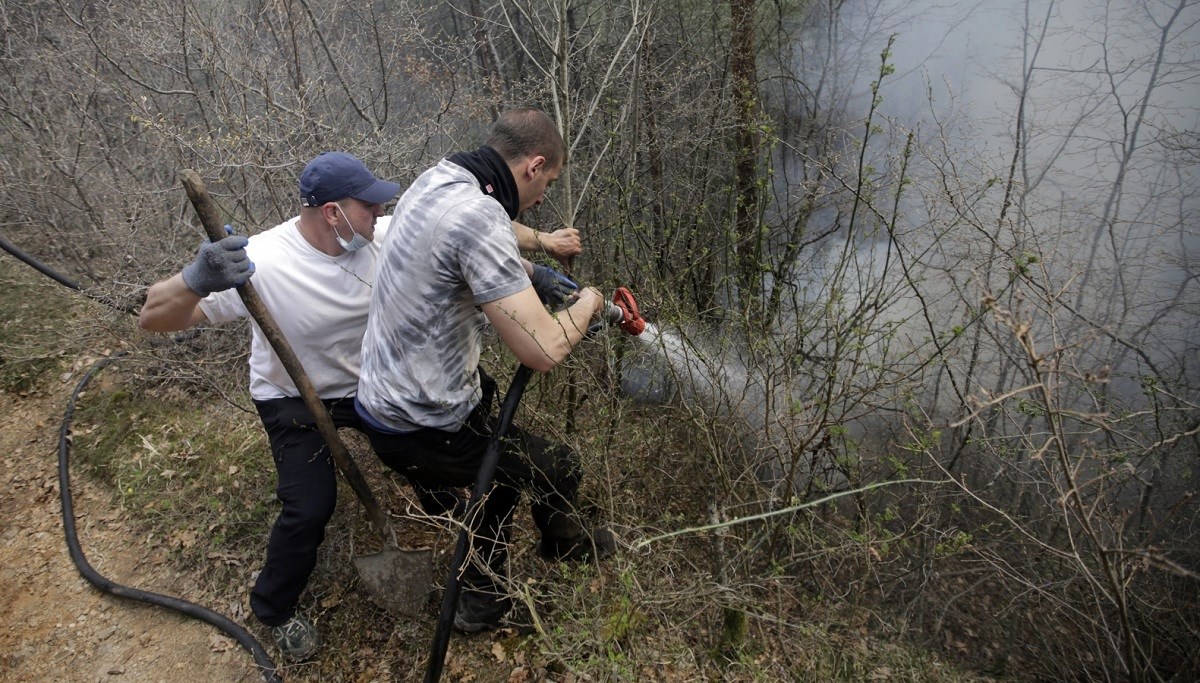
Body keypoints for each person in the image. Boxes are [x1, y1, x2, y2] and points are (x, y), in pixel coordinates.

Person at [137, 151, 582, 661]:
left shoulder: (378, 235)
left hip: (375, 388)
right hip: (294, 396)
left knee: (448, 443)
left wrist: (536, 261)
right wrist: (194, 279)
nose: (380, 212)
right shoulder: (264, 262)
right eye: (369, 205)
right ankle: (274, 607)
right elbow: (154, 317)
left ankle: (444, 506)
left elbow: (470, 236)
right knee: (309, 507)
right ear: (332, 212)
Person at [355, 108, 615, 634]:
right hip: (419, 426)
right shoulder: (477, 216)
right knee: (554, 466)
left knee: (501, 471)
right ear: (534, 166)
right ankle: (553, 552)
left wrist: (536, 268)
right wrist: (587, 303)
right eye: (549, 182)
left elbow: (482, 235)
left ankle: (480, 593)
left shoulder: (441, 180)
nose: (544, 197)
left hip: (387, 400)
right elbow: (541, 350)